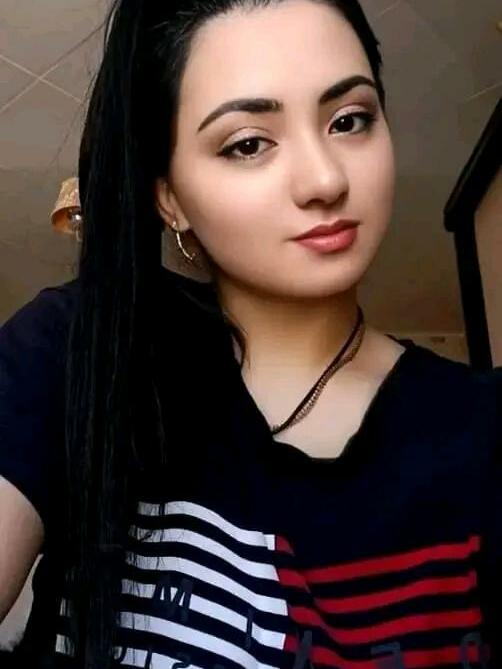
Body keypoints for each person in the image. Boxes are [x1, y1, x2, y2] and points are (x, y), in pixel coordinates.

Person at [0, 0, 501, 667]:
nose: (325, 180)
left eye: (349, 120)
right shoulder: (79, 350)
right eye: (248, 144)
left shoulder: (482, 427)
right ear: (169, 197)